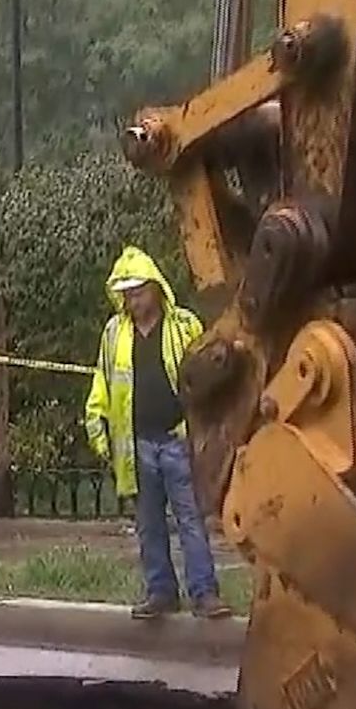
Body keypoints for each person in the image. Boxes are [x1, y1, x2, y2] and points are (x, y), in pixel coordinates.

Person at [84, 246, 231, 621]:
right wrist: (96, 425)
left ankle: (205, 593)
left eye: (139, 291)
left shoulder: (184, 326)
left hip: (177, 439)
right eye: (127, 293)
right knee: (149, 525)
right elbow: (103, 381)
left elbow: (209, 379)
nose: (133, 299)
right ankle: (161, 592)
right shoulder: (114, 333)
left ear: (156, 288)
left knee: (190, 520)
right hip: (137, 444)